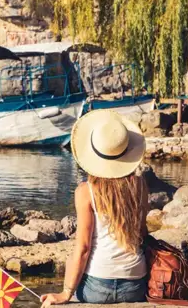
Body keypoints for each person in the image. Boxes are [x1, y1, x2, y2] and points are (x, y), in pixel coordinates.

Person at [41, 111, 148, 307]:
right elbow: (142, 233)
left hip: (98, 288)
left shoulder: (86, 191)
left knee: (71, 256)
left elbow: (83, 248)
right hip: (135, 286)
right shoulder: (139, 186)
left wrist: (65, 293)